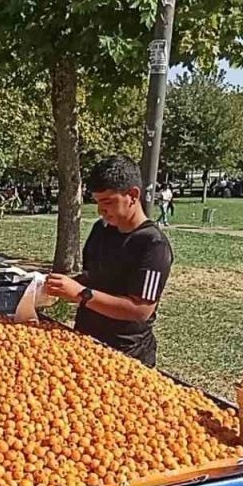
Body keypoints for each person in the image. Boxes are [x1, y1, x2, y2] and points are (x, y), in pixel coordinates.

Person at [44, 156, 173, 366]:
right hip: (86, 343)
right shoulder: (101, 229)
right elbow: (94, 276)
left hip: (127, 355)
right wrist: (59, 285)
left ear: (132, 195)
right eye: (97, 202)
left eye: (108, 202)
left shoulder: (153, 245)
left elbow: (140, 310)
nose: (101, 210)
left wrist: (79, 293)